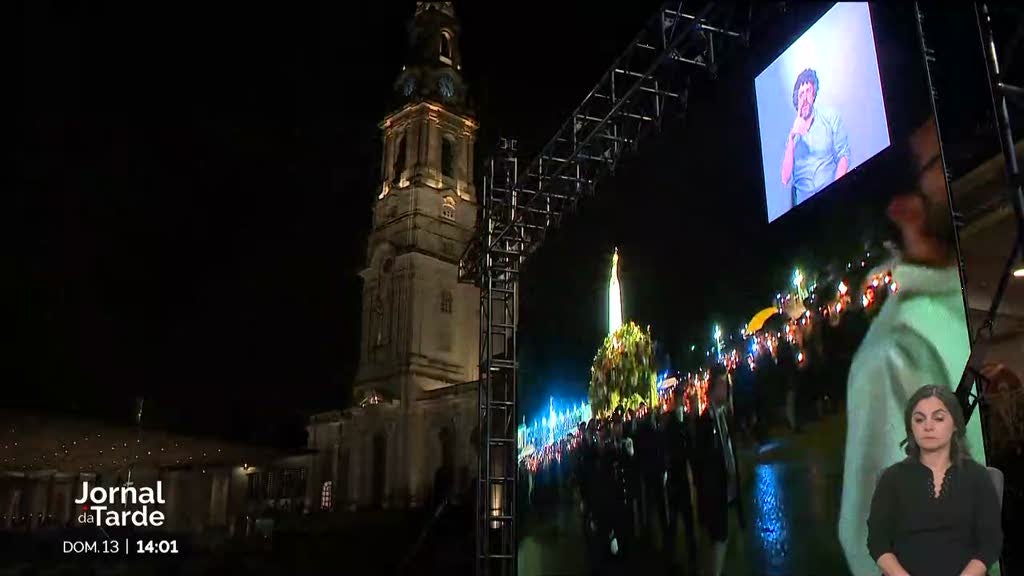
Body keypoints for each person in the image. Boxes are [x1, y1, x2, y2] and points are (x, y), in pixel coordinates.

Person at [838, 117, 989, 575]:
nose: (963, 166)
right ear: (904, 208)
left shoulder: (980, 285)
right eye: (943, 160)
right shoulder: (893, 355)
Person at [867, 385, 1002, 576]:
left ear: (955, 424)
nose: (928, 426)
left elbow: (990, 544)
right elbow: (877, 542)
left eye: (938, 418)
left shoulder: (977, 476)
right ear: (911, 427)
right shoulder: (892, 478)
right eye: (919, 419)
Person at [694, 364, 745, 576]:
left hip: (732, 490)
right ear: (713, 389)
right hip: (717, 494)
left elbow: (732, 447)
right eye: (723, 385)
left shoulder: (727, 415)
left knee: (733, 545)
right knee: (719, 545)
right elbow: (701, 465)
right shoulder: (704, 422)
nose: (726, 390)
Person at [780, 68, 851, 206]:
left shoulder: (830, 118)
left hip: (832, 197)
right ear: (797, 100)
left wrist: (837, 191)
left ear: (814, 94)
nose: (805, 98)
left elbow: (844, 156)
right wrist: (792, 136)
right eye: (801, 94)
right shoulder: (792, 137)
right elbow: (785, 178)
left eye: (808, 91)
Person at [663, 386, 699, 569]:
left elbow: (690, 445)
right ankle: (671, 556)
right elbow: (669, 448)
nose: (679, 402)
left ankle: (692, 553)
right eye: (677, 398)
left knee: (687, 519)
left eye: (680, 398)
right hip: (675, 478)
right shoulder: (670, 422)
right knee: (675, 520)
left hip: (683, 477)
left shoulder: (684, 420)